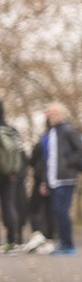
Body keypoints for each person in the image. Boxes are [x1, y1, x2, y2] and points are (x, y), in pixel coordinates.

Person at [32, 102, 82, 256]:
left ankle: (68, 244)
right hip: (53, 180)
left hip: (66, 179)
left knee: (62, 211)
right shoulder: (50, 133)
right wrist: (45, 181)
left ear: (62, 115)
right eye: (49, 113)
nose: (51, 115)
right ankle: (63, 242)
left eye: (54, 113)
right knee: (57, 211)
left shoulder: (68, 130)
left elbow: (81, 150)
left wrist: (68, 163)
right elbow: (47, 160)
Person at [0, 101, 25, 252]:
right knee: (9, 206)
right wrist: (15, 172)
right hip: (9, 174)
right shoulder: (11, 130)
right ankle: (12, 242)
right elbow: (20, 154)